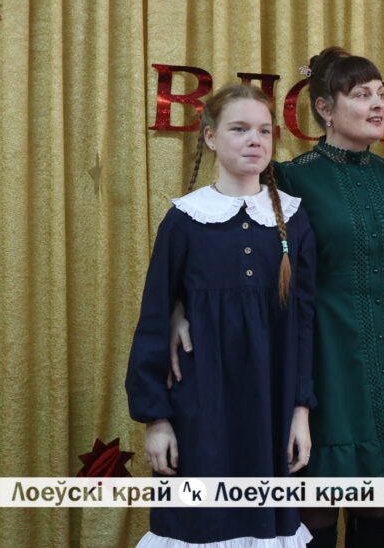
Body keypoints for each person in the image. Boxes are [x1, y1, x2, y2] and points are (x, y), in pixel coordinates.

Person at [168, 49, 384, 548]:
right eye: (362, 95)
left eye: (382, 95)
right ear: (325, 109)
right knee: (315, 506)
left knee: (380, 508)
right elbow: (234, 249)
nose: (378, 105)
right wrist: (179, 307)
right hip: (321, 363)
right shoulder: (289, 178)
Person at [126, 84, 316, 547]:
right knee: (201, 525)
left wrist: (300, 413)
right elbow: (154, 319)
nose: (255, 140)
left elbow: (303, 325)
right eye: (240, 129)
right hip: (200, 408)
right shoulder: (185, 220)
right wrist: (156, 420)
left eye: (265, 131)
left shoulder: (294, 220)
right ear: (210, 137)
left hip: (270, 408)